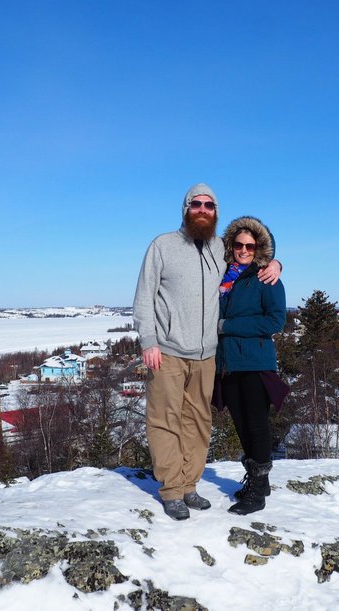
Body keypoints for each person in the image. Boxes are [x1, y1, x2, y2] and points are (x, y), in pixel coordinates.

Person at [133, 183, 281, 520]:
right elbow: (143, 298)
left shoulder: (221, 249)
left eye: (209, 205)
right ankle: (171, 490)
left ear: (216, 212)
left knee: (198, 422)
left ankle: (189, 485)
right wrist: (148, 341)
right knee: (164, 420)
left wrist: (277, 263)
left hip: (206, 356)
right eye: (196, 204)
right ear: (186, 208)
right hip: (167, 351)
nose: (203, 209)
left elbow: (252, 255)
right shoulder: (162, 246)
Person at [217, 216, 286, 515]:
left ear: (258, 248)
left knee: (256, 426)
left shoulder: (266, 277)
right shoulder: (222, 278)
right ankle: (261, 480)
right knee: (241, 424)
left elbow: (275, 321)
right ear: (230, 246)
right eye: (238, 245)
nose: (243, 250)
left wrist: (227, 325)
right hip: (229, 363)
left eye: (250, 245)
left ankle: (257, 493)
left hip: (255, 362)